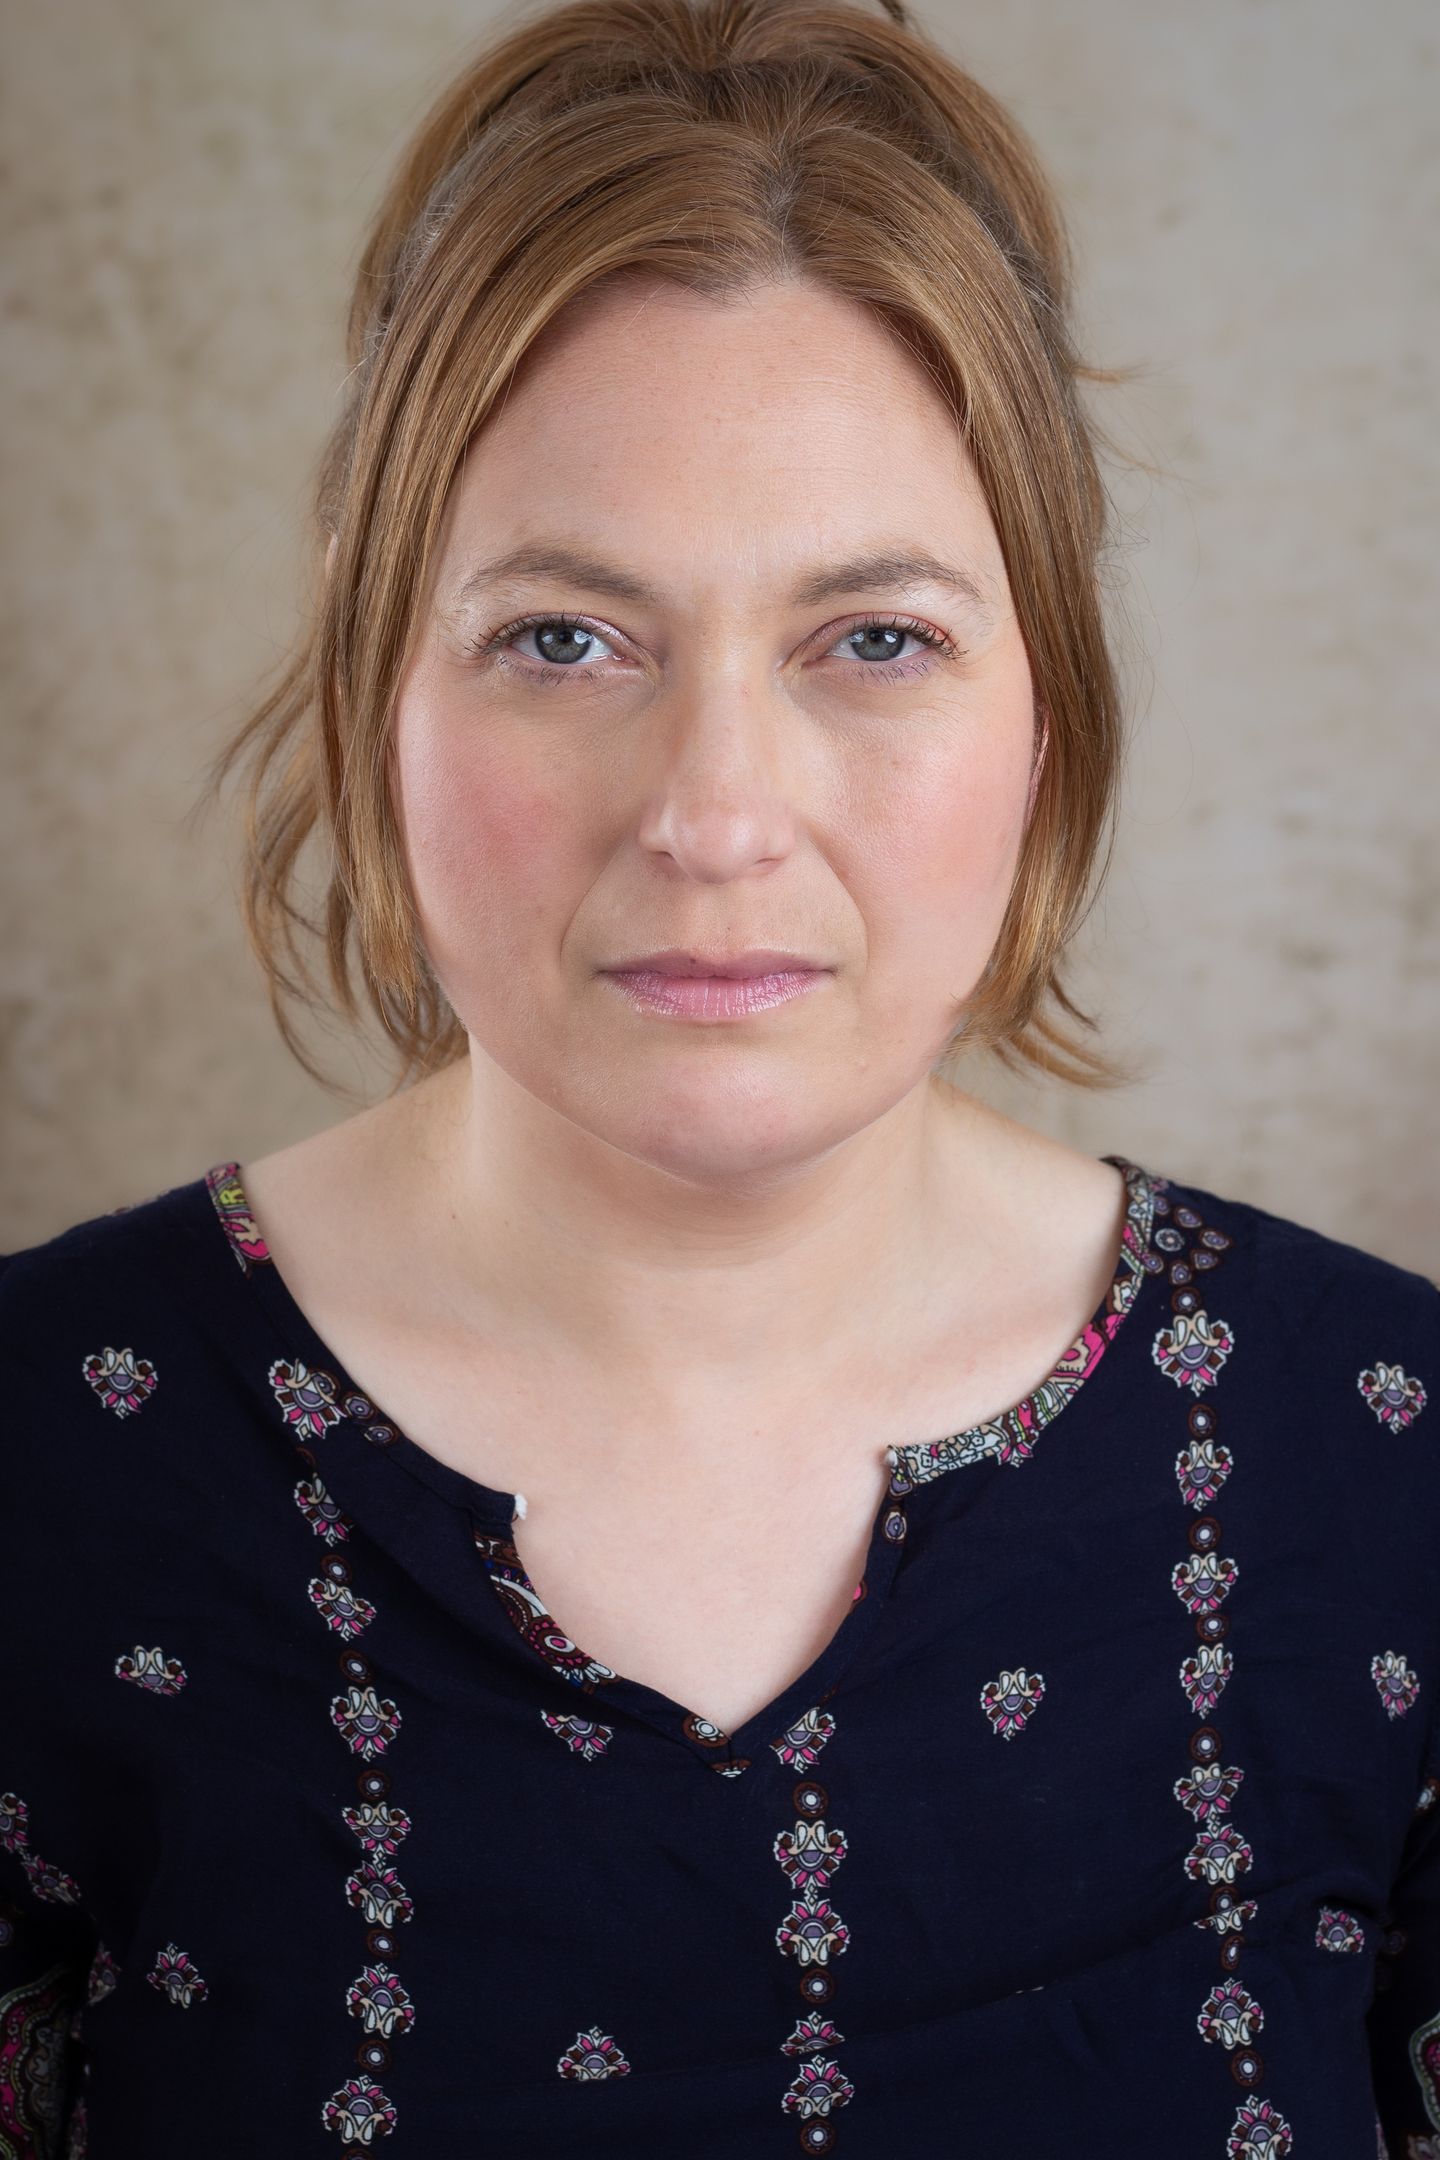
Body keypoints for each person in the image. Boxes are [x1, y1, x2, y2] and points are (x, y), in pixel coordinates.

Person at [2, 0, 1436, 2152]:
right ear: (379, 694)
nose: (717, 814)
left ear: (1046, 719)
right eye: (565, 639)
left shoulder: (1384, 1463)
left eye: (876, 640)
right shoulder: (42, 1463)